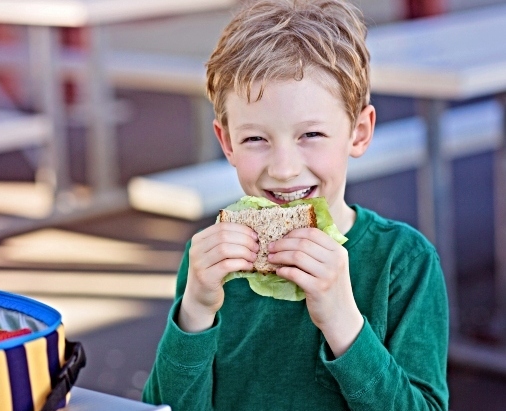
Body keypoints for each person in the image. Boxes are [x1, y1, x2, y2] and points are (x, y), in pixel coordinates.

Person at [142, 0, 449, 409]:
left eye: (311, 135)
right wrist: (195, 310)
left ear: (358, 133)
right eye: (255, 139)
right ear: (227, 142)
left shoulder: (404, 262)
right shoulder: (211, 262)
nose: (284, 170)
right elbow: (164, 406)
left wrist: (343, 323)